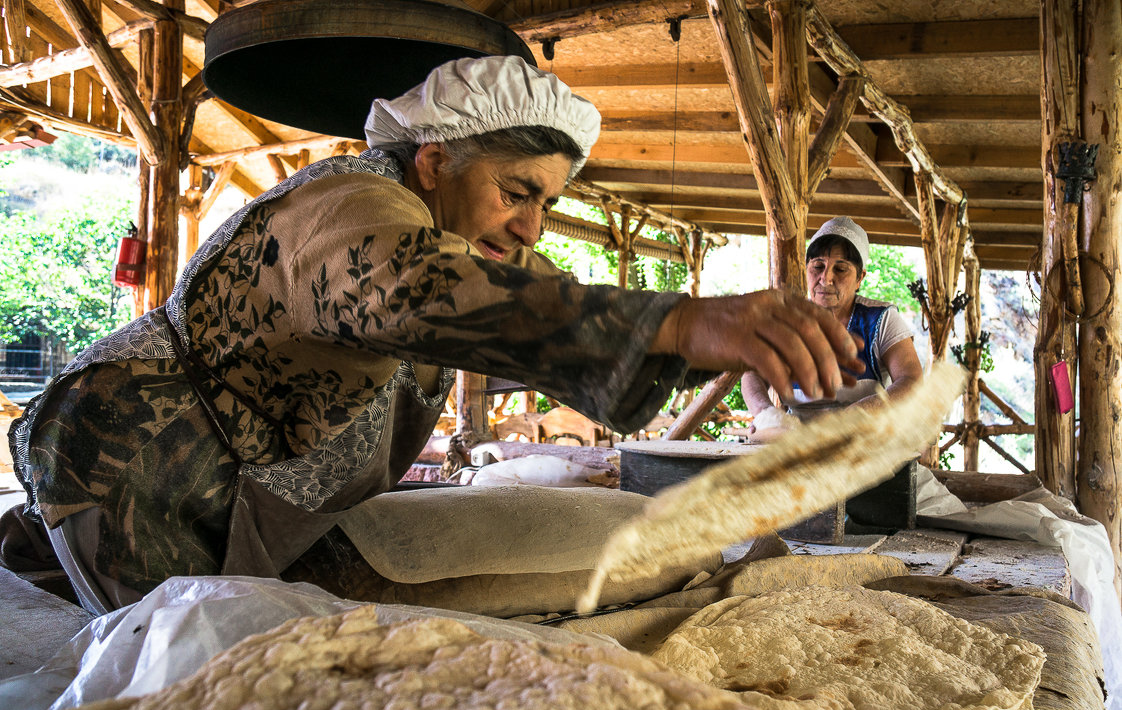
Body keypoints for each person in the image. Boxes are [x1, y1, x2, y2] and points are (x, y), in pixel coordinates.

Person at [8, 56, 861, 614]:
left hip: (240, 488)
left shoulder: (449, 233)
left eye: (546, 204)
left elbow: (509, 304)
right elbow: (418, 288)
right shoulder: (354, 209)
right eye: (516, 190)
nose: (530, 226)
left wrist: (690, 344)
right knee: (173, 687)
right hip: (128, 462)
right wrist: (680, 318)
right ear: (435, 163)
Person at [742, 216, 923, 434]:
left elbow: (911, 380)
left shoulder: (881, 319)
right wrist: (766, 415)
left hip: (864, 441)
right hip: (797, 441)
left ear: (860, 278)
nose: (825, 279)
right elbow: (752, 375)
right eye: (818, 266)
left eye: (840, 269)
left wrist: (852, 417)